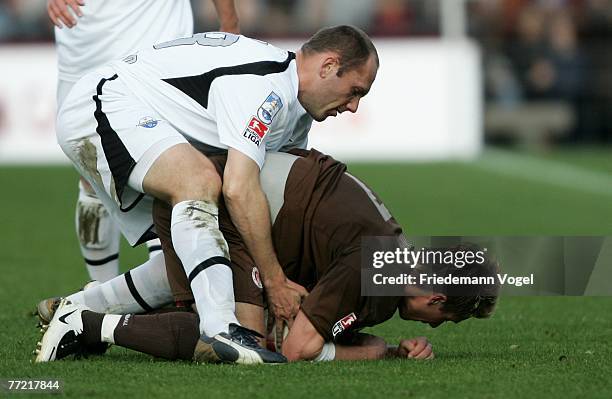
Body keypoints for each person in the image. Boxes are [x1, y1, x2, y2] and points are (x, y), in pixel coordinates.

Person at [54, 26, 379, 363]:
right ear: (327, 66)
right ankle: (222, 329)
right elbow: (238, 188)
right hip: (104, 102)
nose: (353, 106)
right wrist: (274, 280)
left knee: (199, 249)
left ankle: (75, 311)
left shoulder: (295, 114)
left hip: (139, 117)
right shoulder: (266, 86)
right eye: (354, 91)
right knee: (199, 183)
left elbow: (269, 205)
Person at [35, 150, 498, 363]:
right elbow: (298, 347)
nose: (433, 327)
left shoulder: (391, 253)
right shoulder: (375, 270)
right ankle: (84, 325)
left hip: (220, 191)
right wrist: (376, 353)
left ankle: (81, 305)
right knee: (239, 345)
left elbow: (309, 314)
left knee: (211, 299)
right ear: (437, 297)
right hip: (221, 205)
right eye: (445, 319)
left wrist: (391, 349)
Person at [49, 0, 240, 283]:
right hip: (80, 45)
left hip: (150, 42)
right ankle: (99, 295)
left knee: (165, 173)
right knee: (92, 180)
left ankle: (172, 296)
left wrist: (230, 24)